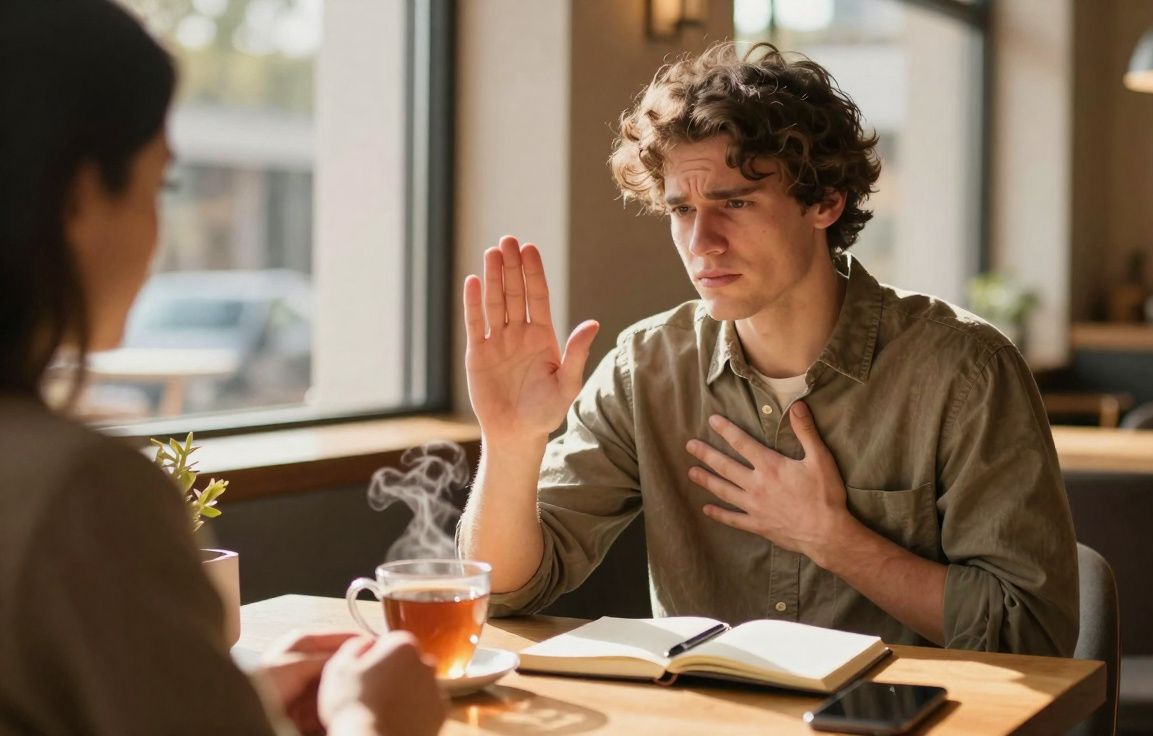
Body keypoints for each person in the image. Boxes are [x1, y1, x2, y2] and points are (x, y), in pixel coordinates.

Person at [458, 42, 1079, 657]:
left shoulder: (963, 370)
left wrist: (832, 538)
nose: (702, 243)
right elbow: (504, 593)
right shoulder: (646, 368)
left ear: (825, 203)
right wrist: (511, 444)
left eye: (735, 203)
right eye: (682, 210)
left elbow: (1030, 632)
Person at [0, 1, 446, 734]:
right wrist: (375, 721)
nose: (158, 232)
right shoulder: (80, 494)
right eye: (159, 186)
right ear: (80, 194)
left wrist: (228, 698)